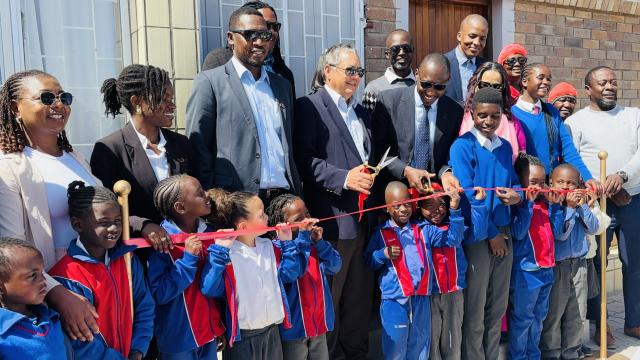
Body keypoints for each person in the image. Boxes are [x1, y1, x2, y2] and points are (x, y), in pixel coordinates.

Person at [0, 69, 165, 345]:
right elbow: (12, 248)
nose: (59, 104)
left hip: (103, 284)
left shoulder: (74, 157)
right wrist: (59, 296)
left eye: (64, 97)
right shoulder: (9, 166)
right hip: (61, 295)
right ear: (16, 107)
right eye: (46, 97)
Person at [294, 43, 373, 360]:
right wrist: (344, 178)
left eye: (359, 71)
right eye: (349, 70)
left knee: (357, 302)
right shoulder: (309, 106)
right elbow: (304, 159)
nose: (355, 77)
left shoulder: (361, 112)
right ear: (328, 71)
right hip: (333, 223)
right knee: (331, 301)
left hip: (364, 220)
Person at [186, 6, 300, 206]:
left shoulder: (281, 85)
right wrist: (212, 198)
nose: (259, 42)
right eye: (250, 35)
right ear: (231, 38)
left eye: (264, 34)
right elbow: (198, 147)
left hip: (284, 200)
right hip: (236, 201)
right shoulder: (210, 82)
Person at [565, 66, 640, 342]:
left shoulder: (634, 116)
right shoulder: (576, 122)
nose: (610, 87)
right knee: (596, 264)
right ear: (588, 90)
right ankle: (601, 325)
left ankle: (634, 322)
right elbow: (573, 159)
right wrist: (602, 188)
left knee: (635, 262)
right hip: (596, 202)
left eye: (613, 82)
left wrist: (622, 177)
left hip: (632, 197)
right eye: (603, 83)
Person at [448, 87, 522, 360]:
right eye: (482, 116)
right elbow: (467, 192)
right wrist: (491, 234)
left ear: (502, 115)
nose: (488, 122)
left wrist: (517, 195)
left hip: (503, 233)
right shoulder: (462, 146)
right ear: (472, 114)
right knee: (476, 307)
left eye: (495, 116)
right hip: (480, 235)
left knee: (498, 306)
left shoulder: (504, 147)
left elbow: (513, 181)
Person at [48, 181, 155, 359]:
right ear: (78, 225)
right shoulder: (65, 276)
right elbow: (80, 340)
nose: (114, 228)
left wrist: (138, 350)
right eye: (104, 223)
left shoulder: (127, 259)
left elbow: (144, 304)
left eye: (118, 221)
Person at [200, 191, 304, 360]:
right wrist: (219, 253)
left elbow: (290, 275)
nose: (267, 217)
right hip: (243, 338)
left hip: (272, 331)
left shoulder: (269, 246)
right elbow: (209, 288)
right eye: (261, 214)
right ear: (243, 226)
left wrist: (287, 244)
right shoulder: (226, 252)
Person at [365, 182, 462, 360]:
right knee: (396, 350)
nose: (403, 209)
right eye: (397, 205)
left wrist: (455, 210)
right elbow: (369, 262)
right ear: (387, 208)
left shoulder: (423, 229)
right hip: (394, 301)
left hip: (421, 299)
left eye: (407, 204)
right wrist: (383, 254)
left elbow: (452, 240)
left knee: (420, 348)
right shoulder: (380, 233)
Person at [91, 64, 194, 227]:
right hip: (140, 249)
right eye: (164, 98)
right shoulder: (109, 149)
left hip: (186, 246)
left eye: (171, 99)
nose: (172, 105)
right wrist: (141, 225)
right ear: (137, 102)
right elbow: (105, 209)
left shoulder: (181, 144)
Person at [147, 174, 226, 359]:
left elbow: (214, 288)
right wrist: (188, 259)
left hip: (208, 334)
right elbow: (160, 293)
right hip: (177, 342)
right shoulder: (162, 243)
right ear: (180, 207)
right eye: (199, 193)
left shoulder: (210, 233)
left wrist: (217, 325)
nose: (207, 195)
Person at [371, 53, 464, 195]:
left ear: (448, 80)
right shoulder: (388, 102)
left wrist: (446, 173)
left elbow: (449, 153)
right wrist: (405, 170)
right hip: (396, 193)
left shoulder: (455, 111)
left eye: (439, 87)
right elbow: (379, 151)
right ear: (416, 74)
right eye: (426, 84)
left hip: (435, 196)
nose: (431, 92)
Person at [265, 194, 341, 360]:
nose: (307, 220)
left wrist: (320, 243)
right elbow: (291, 274)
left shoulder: (314, 245)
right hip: (294, 329)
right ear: (282, 224)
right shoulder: (276, 249)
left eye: (307, 214)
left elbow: (335, 266)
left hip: (318, 323)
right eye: (299, 218)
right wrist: (302, 239)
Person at [540, 164, 599, 359]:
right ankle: (551, 352)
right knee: (555, 313)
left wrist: (581, 206)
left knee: (577, 313)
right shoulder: (552, 206)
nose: (566, 187)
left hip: (580, 265)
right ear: (551, 184)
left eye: (571, 183)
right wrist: (569, 209)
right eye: (561, 182)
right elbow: (560, 235)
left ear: (579, 185)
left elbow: (593, 228)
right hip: (559, 266)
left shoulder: (581, 204)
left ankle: (572, 352)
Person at [511, 63, 600, 191]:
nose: (546, 82)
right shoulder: (512, 114)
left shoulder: (551, 112)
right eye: (541, 78)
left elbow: (567, 149)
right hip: (529, 189)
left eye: (549, 79)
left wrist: (587, 177)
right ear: (524, 81)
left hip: (554, 188)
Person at [508, 153, 563, 360]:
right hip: (526, 273)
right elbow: (519, 232)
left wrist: (556, 206)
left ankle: (534, 355)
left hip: (547, 270)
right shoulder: (519, 207)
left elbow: (557, 233)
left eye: (542, 182)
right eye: (533, 182)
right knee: (523, 319)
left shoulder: (546, 205)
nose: (539, 187)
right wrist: (528, 205)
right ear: (521, 181)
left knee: (539, 317)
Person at [0, 237, 73, 360]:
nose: (43, 280)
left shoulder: (52, 318)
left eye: (42, 273)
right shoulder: (3, 337)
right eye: (33, 275)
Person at [416, 185, 467, 360]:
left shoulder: (455, 223)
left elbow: (457, 236)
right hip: (430, 294)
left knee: (452, 338)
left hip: (454, 292)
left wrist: (454, 211)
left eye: (442, 204)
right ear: (419, 208)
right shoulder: (423, 229)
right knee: (432, 338)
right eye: (429, 206)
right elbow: (453, 239)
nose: (437, 210)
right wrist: (455, 209)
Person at [458, 62, 527, 163]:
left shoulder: (513, 122)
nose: (490, 91)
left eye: (496, 87)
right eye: (484, 85)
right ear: (476, 86)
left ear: (503, 89)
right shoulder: (460, 116)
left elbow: (522, 161)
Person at [362, 29, 416, 112]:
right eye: (395, 49)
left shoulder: (423, 86)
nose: (402, 53)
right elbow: (368, 123)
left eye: (406, 48)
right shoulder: (373, 89)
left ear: (412, 51)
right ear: (387, 54)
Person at [445, 14, 489, 104]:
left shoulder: (486, 67)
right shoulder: (442, 64)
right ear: (459, 36)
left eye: (482, 39)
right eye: (472, 36)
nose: (477, 42)